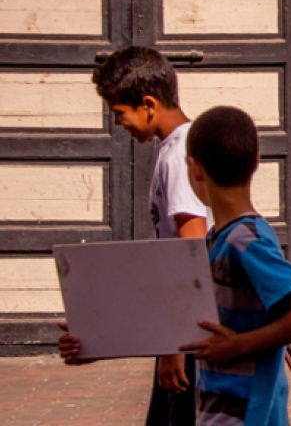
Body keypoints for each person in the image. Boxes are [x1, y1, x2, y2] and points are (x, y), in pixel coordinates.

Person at [59, 45, 209, 425]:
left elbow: (192, 248)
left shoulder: (179, 155)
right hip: (184, 327)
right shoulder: (174, 149)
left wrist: (173, 345)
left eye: (119, 114)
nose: (118, 124)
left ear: (148, 104)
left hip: (190, 334)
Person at [179, 106, 291, 425]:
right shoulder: (218, 239)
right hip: (220, 405)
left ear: (195, 168)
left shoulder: (245, 240)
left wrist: (238, 345)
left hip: (247, 412)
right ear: (257, 161)